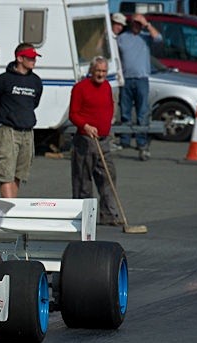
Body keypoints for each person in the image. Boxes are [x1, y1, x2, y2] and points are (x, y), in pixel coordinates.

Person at [0, 43, 43, 198]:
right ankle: (9, 210)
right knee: (5, 172)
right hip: (8, 131)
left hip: (27, 131)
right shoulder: (2, 80)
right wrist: (3, 118)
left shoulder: (36, 81)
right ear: (19, 58)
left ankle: (13, 207)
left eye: (34, 58)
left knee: (20, 173)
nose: (33, 61)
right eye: (30, 58)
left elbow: (34, 103)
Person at [69, 56, 121, 226]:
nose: (101, 74)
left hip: (103, 139)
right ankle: (83, 217)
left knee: (108, 176)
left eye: (104, 71)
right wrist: (86, 126)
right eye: (98, 71)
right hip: (85, 139)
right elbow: (73, 114)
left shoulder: (106, 86)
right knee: (83, 179)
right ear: (91, 71)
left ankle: (109, 215)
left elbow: (110, 105)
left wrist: (109, 121)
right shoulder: (80, 88)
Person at [117, 13, 162, 161]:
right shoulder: (122, 38)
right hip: (127, 79)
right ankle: (125, 140)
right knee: (125, 112)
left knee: (142, 112)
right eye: (135, 23)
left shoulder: (145, 37)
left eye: (139, 23)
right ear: (131, 24)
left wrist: (147, 24)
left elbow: (159, 39)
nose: (137, 25)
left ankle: (141, 142)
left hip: (142, 79)